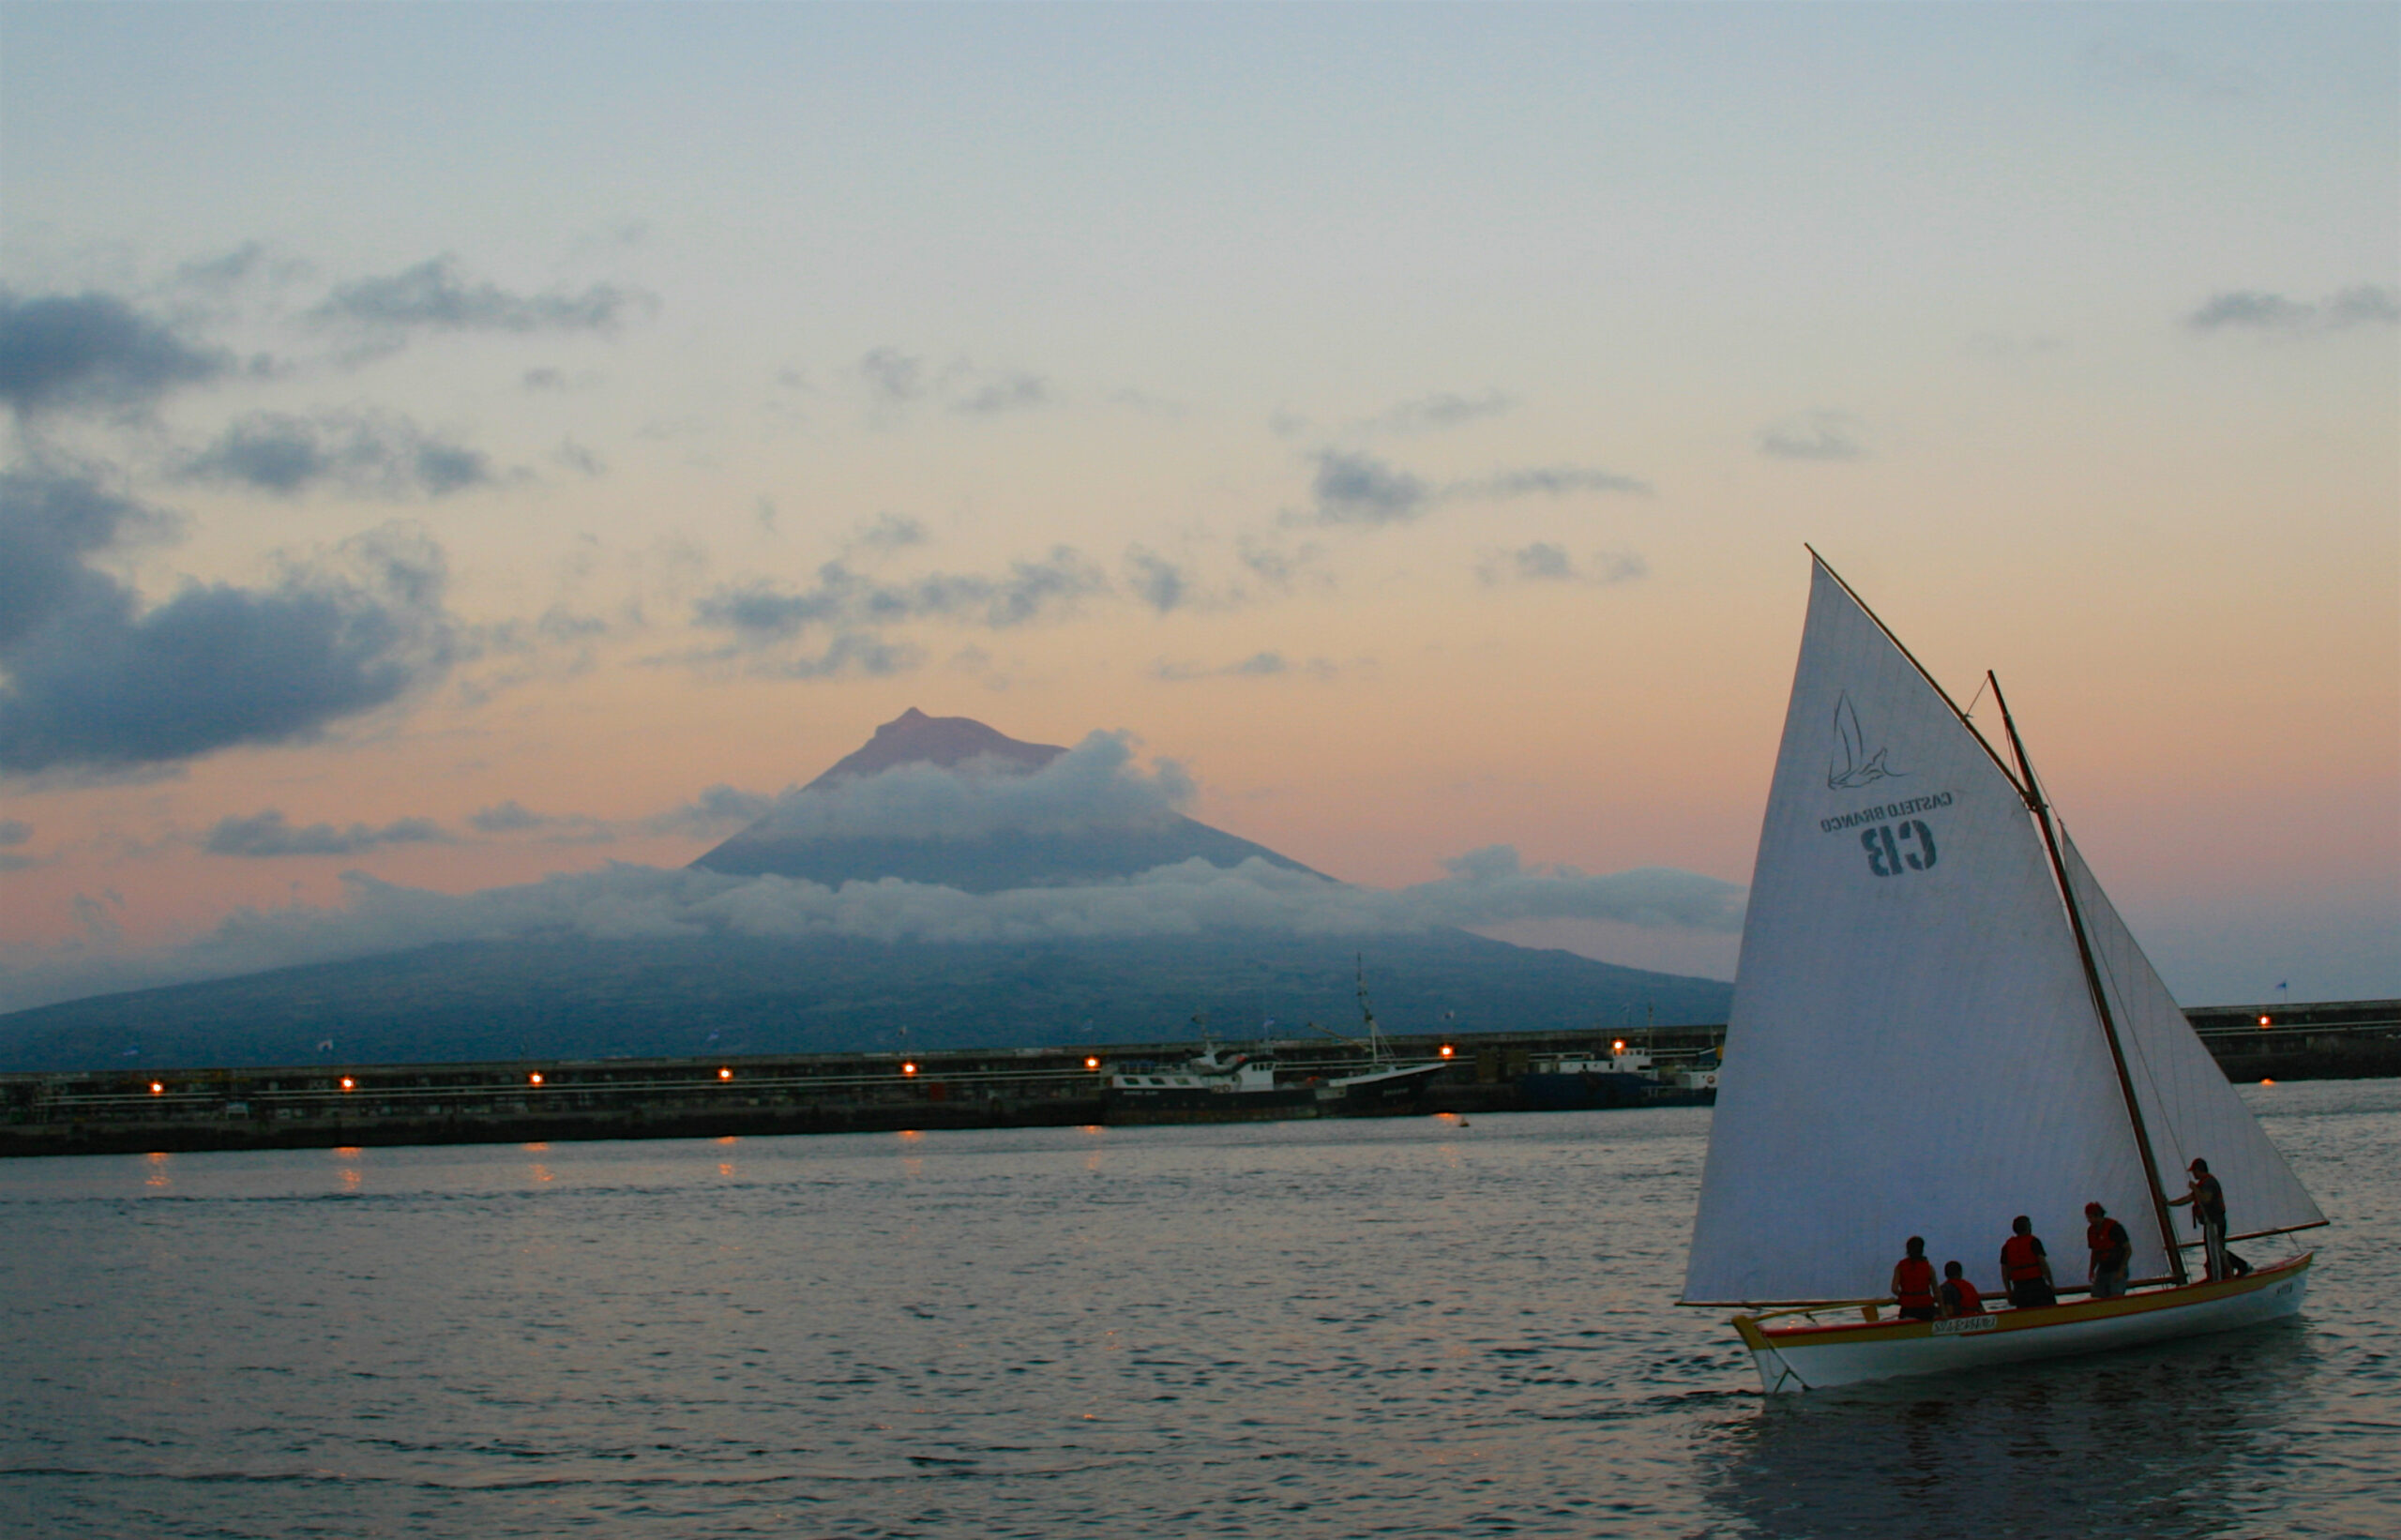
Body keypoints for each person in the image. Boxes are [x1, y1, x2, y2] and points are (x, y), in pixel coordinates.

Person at [2167, 1157, 2229, 1280]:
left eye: (2193, 1171)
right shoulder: (2202, 1184)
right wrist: (2169, 1203)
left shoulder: (2209, 1183)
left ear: (2198, 1170)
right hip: (2211, 1224)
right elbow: (2188, 1199)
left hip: (2215, 1223)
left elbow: (2206, 1198)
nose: (2193, 1174)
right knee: (2215, 1250)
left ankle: (2218, 1279)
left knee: (2215, 1252)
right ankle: (2220, 1274)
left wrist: (2194, 1188)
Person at [2000, 1215, 2056, 1307]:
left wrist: (2009, 1292)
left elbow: (2004, 1273)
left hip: (2019, 1288)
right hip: (2037, 1286)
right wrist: (2051, 1284)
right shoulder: (2034, 1242)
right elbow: (2043, 1264)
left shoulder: (2007, 1247)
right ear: (2028, 1228)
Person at [2085, 1201, 2133, 1299]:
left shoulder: (2115, 1228)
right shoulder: (2091, 1231)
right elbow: (2094, 1252)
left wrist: (2121, 1271)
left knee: (2116, 1294)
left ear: (2099, 1215)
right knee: (2096, 1296)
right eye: (2088, 1217)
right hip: (2103, 1268)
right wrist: (2091, 1270)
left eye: (2092, 1217)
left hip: (2117, 1267)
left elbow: (2128, 1250)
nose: (2090, 1220)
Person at [1890, 1235, 1940, 1321]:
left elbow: (1894, 1289)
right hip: (1926, 1308)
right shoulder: (1929, 1268)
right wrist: (1943, 1312)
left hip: (1908, 1309)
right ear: (1922, 1250)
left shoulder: (1900, 1267)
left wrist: (1903, 1296)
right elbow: (1937, 1292)